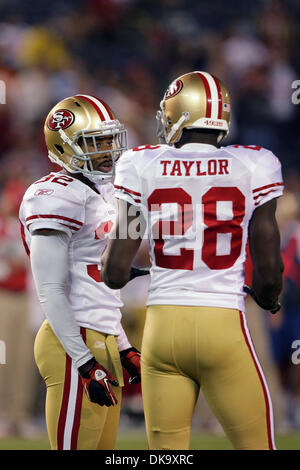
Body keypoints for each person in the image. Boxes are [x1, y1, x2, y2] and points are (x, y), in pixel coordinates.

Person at [101, 71, 284, 450]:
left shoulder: (140, 163)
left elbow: (115, 271)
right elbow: (269, 262)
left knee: (167, 455)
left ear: (178, 114)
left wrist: (126, 271)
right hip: (223, 327)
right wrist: (268, 296)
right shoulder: (254, 163)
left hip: (163, 330)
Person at [19, 94, 142, 450]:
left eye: (109, 140)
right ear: (64, 145)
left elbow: (98, 286)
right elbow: (51, 291)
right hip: (72, 344)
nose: (106, 151)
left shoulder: (104, 192)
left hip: (101, 337)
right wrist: (86, 363)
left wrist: (120, 344)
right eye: (94, 143)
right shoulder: (54, 195)